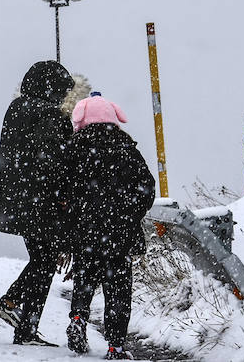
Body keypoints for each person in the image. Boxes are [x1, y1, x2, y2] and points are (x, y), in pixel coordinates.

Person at [0, 60, 75, 346]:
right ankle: (19, 319)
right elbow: (57, 162)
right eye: (62, 90)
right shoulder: (51, 115)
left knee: (42, 260)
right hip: (40, 201)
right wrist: (64, 197)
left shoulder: (16, 110)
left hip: (14, 199)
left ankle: (16, 313)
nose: (64, 96)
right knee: (45, 260)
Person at [63, 92, 156, 360]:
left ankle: (79, 317)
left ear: (81, 119)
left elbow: (62, 190)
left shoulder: (75, 151)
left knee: (85, 279)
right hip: (120, 234)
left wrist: (75, 216)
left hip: (86, 231)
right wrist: (131, 214)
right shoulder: (127, 150)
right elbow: (147, 189)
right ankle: (115, 347)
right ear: (114, 119)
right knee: (118, 290)